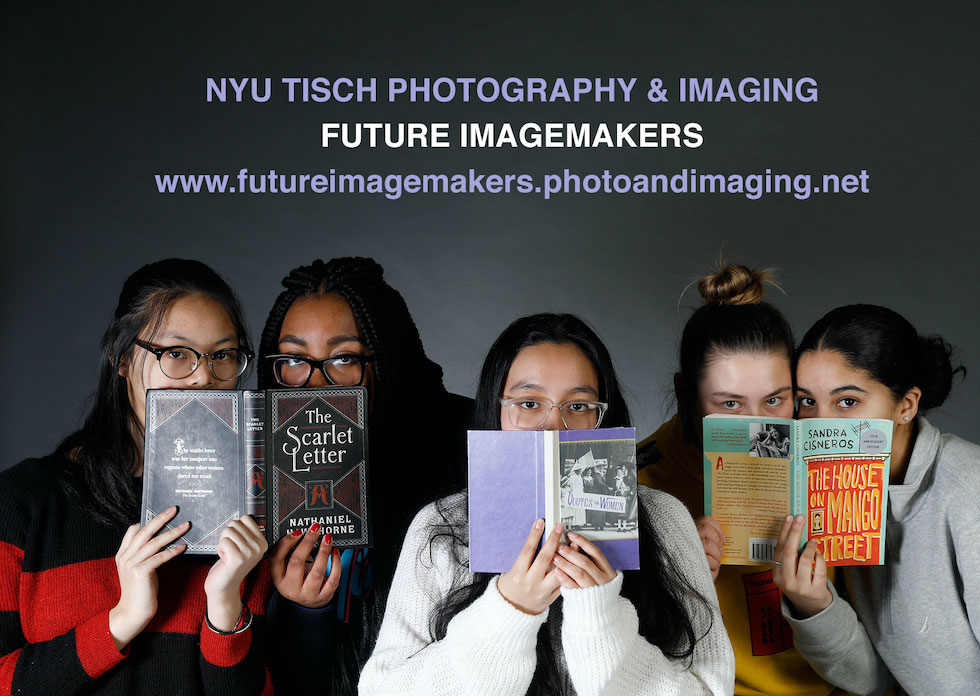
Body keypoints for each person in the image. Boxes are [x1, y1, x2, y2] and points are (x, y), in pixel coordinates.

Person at [359, 312, 734, 695]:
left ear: (603, 419)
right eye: (528, 403)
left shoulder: (665, 517)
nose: (553, 428)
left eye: (578, 406)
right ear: (497, 410)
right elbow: (380, 689)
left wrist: (599, 618)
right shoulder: (441, 527)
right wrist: (508, 611)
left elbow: (712, 687)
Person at [0, 259, 270, 694]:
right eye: (176, 354)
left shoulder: (250, 513)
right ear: (122, 359)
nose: (204, 377)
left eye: (223, 355)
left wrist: (225, 608)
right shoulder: (21, 504)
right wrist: (122, 620)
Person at [773, 304, 980, 695]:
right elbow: (876, 680)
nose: (820, 427)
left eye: (848, 402)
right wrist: (815, 605)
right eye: (807, 402)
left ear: (906, 405)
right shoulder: (840, 497)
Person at [256, 257, 474, 695]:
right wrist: (304, 612)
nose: (316, 384)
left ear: (387, 358)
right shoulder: (255, 462)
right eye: (294, 360)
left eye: (344, 358)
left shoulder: (465, 443)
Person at [637, 261, 842, 695]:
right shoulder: (641, 482)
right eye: (730, 405)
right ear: (685, 395)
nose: (756, 428)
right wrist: (675, 575)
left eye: (774, 400)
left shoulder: (825, 454)